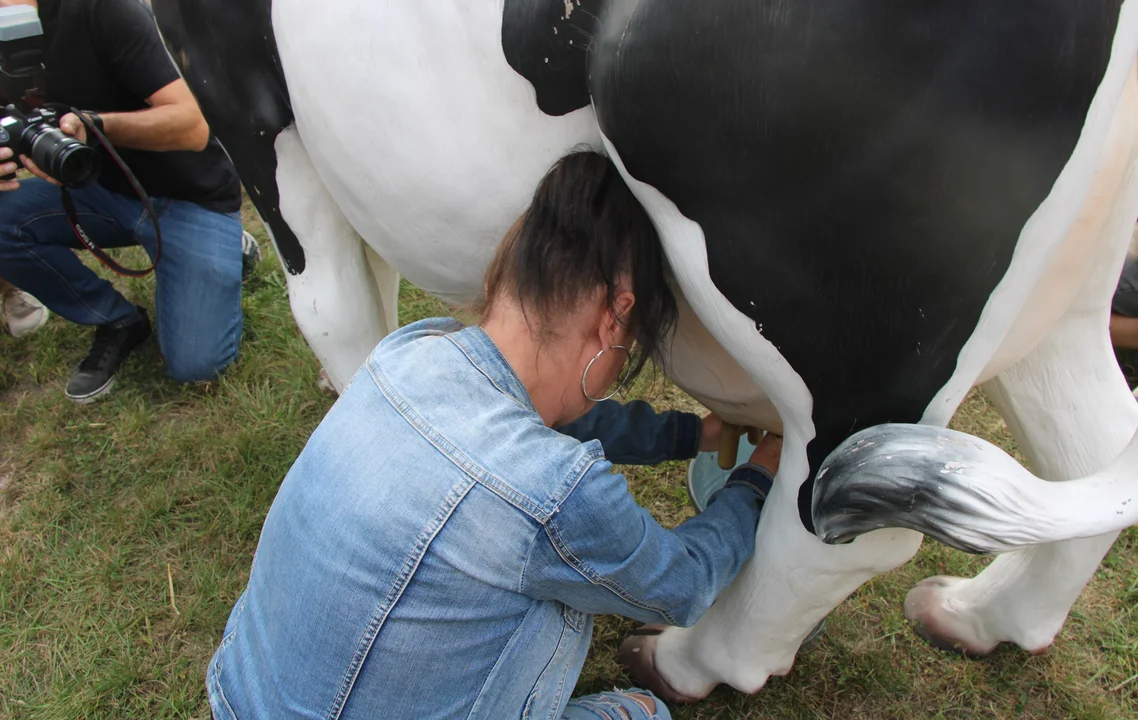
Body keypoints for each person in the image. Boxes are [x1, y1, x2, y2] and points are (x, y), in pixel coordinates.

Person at [206, 151, 781, 720]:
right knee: (640, 712)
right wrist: (758, 479)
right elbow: (682, 583)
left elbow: (539, 421)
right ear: (613, 316)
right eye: (627, 345)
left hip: (237, 697)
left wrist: (691, 434)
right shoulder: (558, 490)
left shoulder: (408, 353)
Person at [0, 0, 247, 402]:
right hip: (96, 191)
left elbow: (193, 126)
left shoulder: (103, 10)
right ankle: (117, 320)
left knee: (199, 366)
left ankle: (231, 248)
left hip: (188, 196)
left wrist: (95, 126)